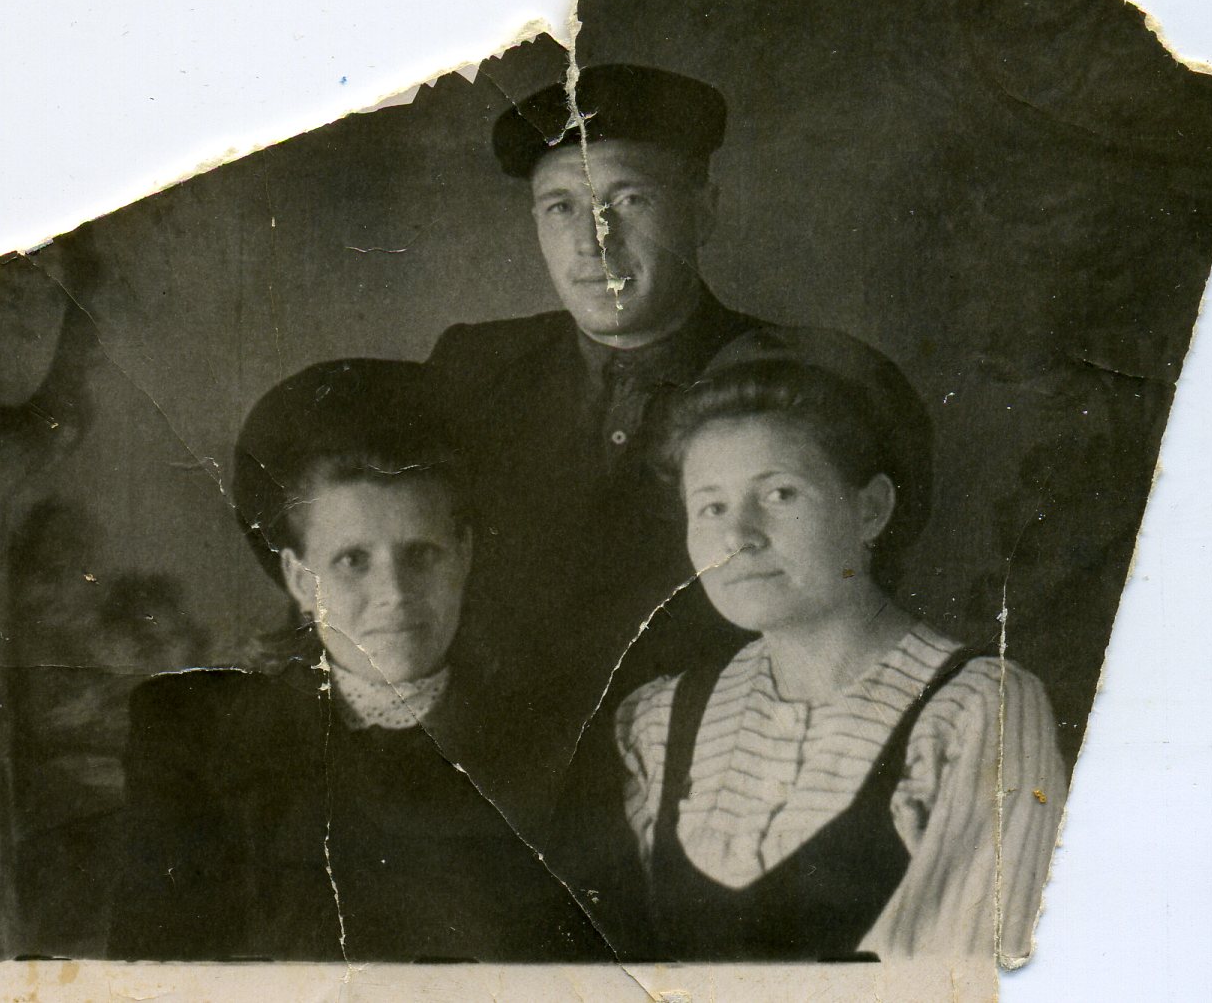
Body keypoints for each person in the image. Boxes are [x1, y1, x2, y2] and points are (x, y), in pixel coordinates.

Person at [108, 359, 604, 962]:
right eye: (352, 560)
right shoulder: (197, 741)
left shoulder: (555, 743)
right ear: (299, 577)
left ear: (465, 554)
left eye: (421, 554)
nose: (395, 594)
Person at [616, 329, 1066, 961]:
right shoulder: (659, 722)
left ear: (871, 509)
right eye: (711, 507)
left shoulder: (978, 711)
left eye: (780, 494)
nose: (739, 537)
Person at [427, 64, 773, 827]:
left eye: (630, 201)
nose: (594, 241)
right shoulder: (471, 370)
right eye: (562, 207)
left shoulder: (784, 379)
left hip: (713, 792)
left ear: (704, 210)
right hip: (494, 794)